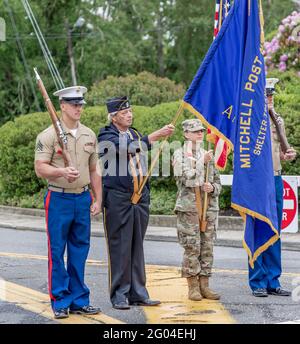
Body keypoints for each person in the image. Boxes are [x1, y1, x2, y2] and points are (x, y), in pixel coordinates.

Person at [98, 96, 174, 310]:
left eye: (130, 111)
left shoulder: (135, 134)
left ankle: (138, 292)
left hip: (139, 197)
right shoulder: (106, 135)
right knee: (119, 247)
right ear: (114, 117)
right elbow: (125, 149)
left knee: (136, 246)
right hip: (118, 198)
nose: (129, 115)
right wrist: (154, 136)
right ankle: (119, 294)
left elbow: (139, 155)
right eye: (124, 112)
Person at [35, 86, 102, 319]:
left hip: (82, 198)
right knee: (57, 251)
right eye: (74, 104)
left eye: (81, 104)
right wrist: (62, 172)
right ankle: (60, 300)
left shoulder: (89, 135)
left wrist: (98, 198)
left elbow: (94, 169)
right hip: (59, 198)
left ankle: (79, 299)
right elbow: (40, 167)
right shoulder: (48, 135)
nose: (79, 108)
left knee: (79, 251)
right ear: (62, 106)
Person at [249, 78, 297, 297]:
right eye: (266, 95)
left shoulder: (277, 119)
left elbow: (279, 152)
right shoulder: (251, 121)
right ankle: (257, 280)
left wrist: (288, 155)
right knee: (259, 228)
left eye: (271, 96)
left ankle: (273, 280)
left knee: (275, 230)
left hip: (276, 178)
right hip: (259, 180)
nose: (269, 99)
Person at [172, 119, 221, 301]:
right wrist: (201, 162)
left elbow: (217, 182)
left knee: (207, 246)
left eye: (201, 131)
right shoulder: (179, 154)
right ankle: (193, 286)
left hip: (208, 208)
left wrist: (213, 188)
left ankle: (205, 285)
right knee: (192, 247)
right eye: (195, 131)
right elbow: (185, 179)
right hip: (189, 208)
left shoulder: (207, 154)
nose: (200, 133)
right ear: (186, 134)